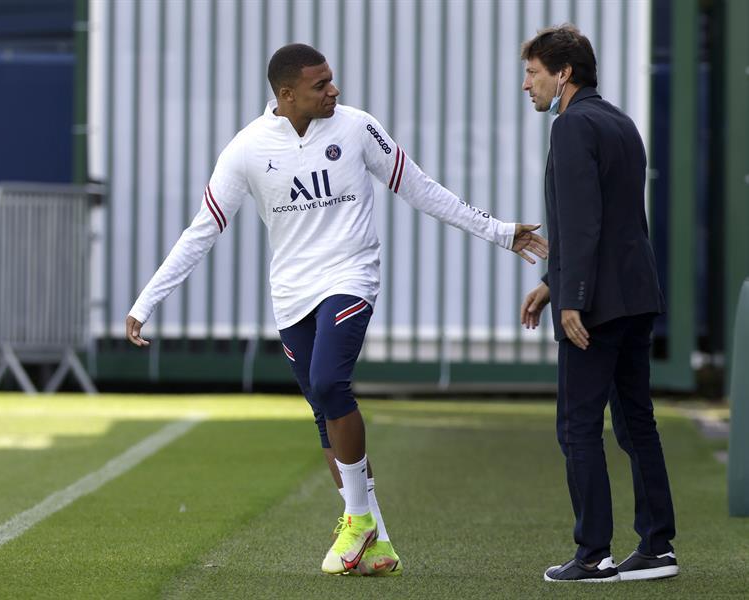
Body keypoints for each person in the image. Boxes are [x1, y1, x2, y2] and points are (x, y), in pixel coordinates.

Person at [127, 43, 548, 575]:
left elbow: (418, 188)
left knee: (330, 384)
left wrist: (498, 231)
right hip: (291, 295)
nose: (334, 91)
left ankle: (355, 518)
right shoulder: (246, 150)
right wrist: (147, 301)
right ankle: (379, 542)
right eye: (320, 85)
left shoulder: (356, 128)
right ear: (286, 94)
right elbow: (202, 231)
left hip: (351, 277)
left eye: (332, 80)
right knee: (324, 415)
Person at [519, 25, 679, 583]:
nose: (526, 85)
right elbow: (609, 221)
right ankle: (658, 548)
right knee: (637, 423)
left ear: (563, 74)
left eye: (534, 73)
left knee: (578, 428)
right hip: (636, 297)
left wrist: (572, 300)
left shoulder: (570, 127)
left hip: (596, 306)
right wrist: (551, 281)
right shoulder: (618, 121)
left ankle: (593, 555)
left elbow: (584, 222)